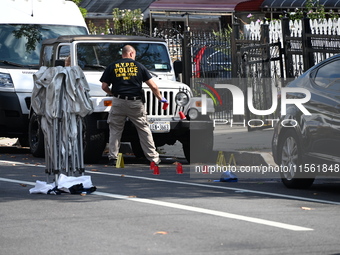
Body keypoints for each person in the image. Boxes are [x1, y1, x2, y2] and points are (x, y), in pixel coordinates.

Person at [100, 45, 167, 166]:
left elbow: (104, 86)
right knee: (143, 129)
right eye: (134, 54)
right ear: (131, 53)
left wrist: (113, 93)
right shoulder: (139, 66)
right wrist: (161, 98)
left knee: (115, 129)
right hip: (135, 103)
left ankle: (113, 157)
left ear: (123, 54)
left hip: (119, 101)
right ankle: (153, 158)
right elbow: (154, 86)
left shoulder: (112, 66)